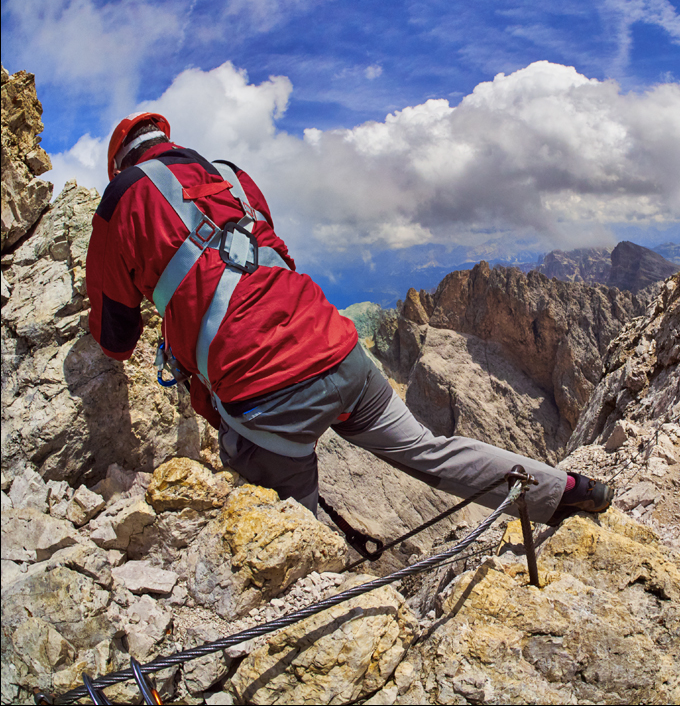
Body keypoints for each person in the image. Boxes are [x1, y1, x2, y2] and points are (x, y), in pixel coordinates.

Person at [87, 112, 612, 527]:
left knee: (289, 523)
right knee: (428, 451)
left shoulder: (121, 200)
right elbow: (272, 259)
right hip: (339, 350)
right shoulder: (232, 176)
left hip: (263, 394)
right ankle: (559, 489)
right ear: (169, 141)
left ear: (120, 165)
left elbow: (115, 338)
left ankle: (308, 596)